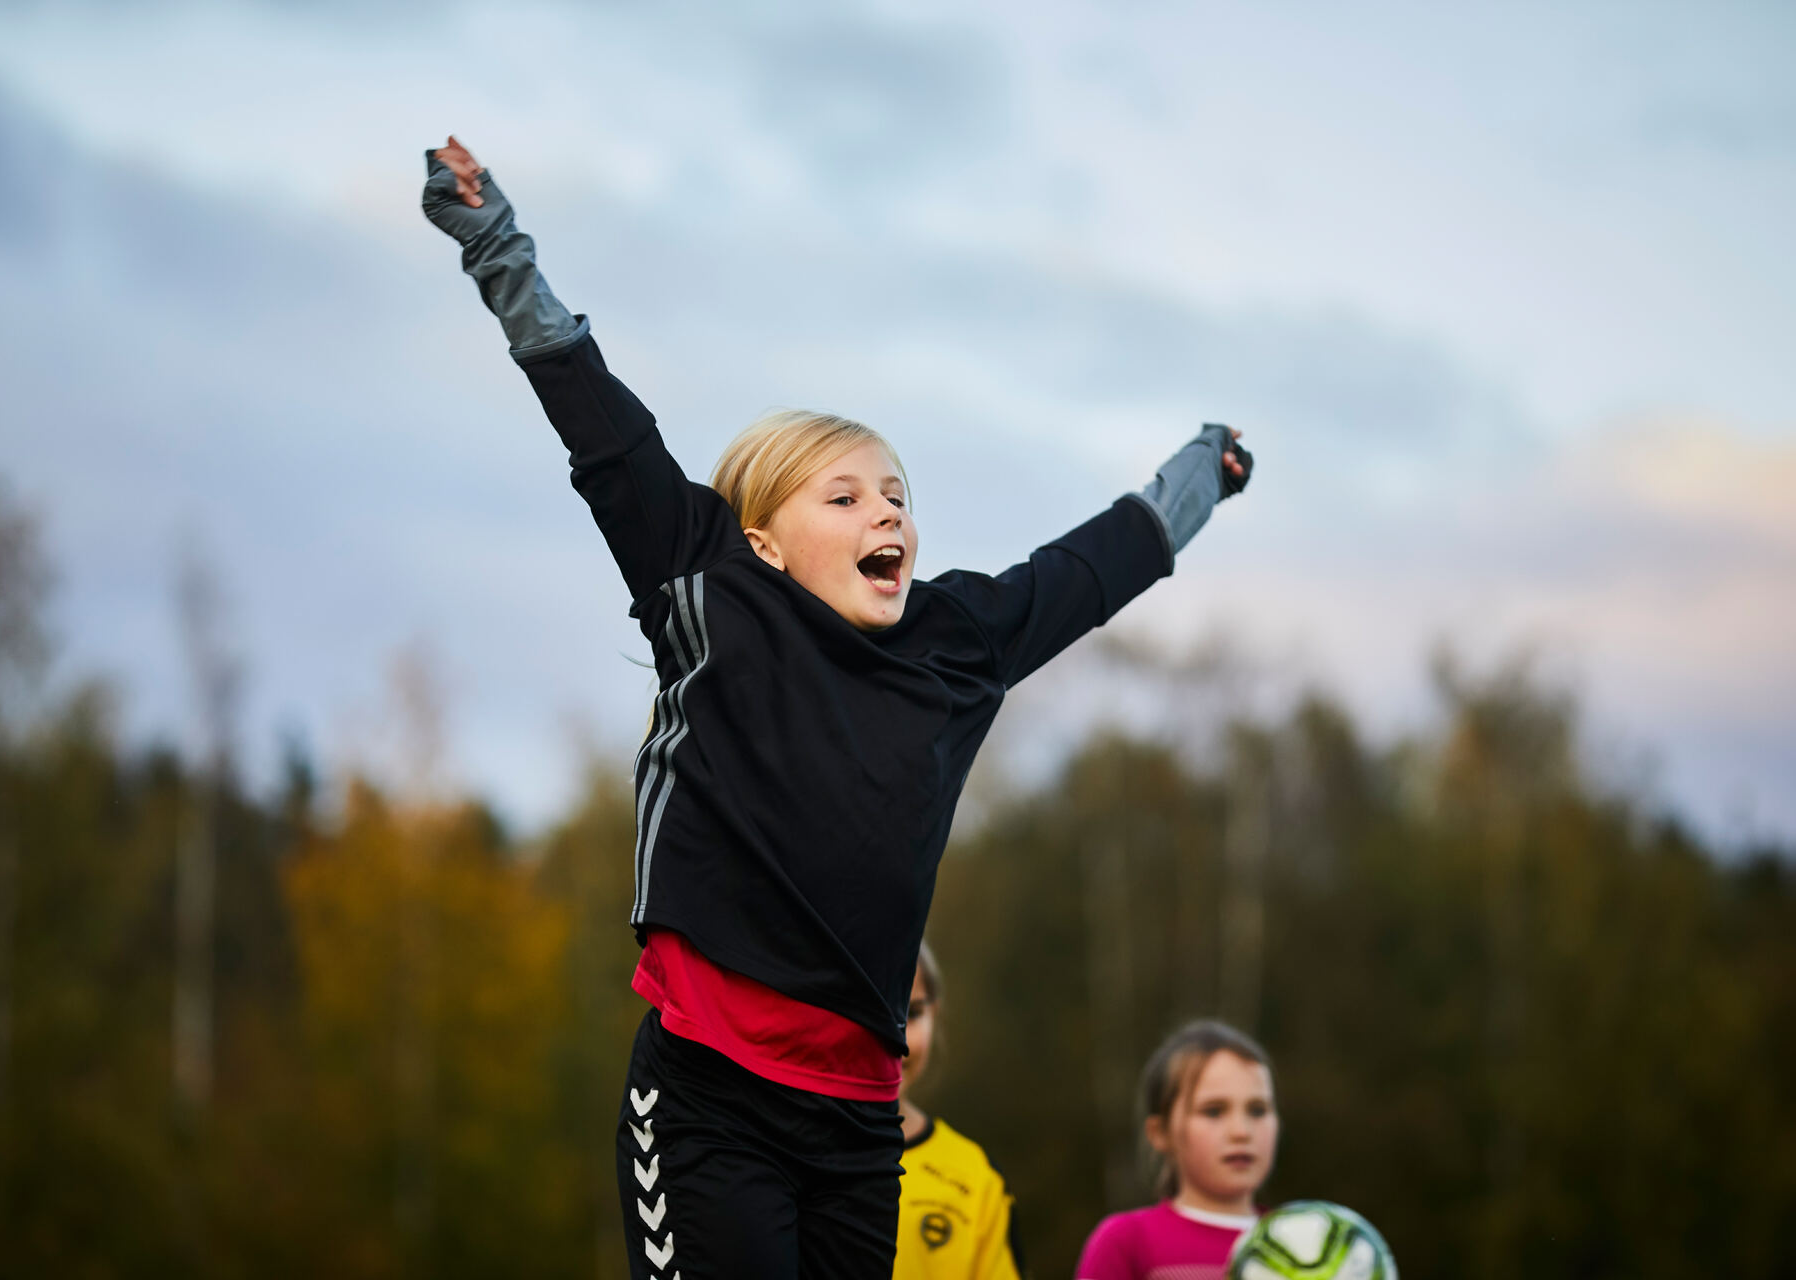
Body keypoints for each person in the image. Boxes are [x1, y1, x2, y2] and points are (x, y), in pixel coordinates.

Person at [422, 136, 1253, 1280]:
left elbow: (1090, 570)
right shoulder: (710, 586)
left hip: (858, 1118)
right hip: (711, 1095)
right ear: (765, 535)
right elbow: (599, 420)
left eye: (900, 496)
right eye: (848, 493)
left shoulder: (954, 645)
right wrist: (493, 240)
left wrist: (1201, 471)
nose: (888, 514)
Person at [1074, 1021, 1278, 1280]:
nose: (1242, 1131)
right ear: (1160, 1133)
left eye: (1258, 1110)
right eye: (1213, 1111)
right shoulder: (1127, 1242)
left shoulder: (1313, 1241)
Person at [894, 944, 1025, 1280]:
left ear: (935, 1013)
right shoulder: (785, 1158)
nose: (895, 1040)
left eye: (911, 1013)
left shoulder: (976, 1176)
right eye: (869, 1013)